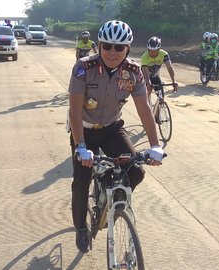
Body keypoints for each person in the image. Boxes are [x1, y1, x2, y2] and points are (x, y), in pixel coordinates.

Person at [68, 20, 165, 253]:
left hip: (112, 128)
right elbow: (74, 108)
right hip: (84, 128)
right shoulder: (83, 67)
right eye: (108, 46)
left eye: (119, 47)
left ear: (127, 49)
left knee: (135, 170)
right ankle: (81, 228)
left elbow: (143, 109)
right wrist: (80, 146)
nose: (113, 52)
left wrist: (155, 145)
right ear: (99, 45)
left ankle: (111, 198)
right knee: (82, 180)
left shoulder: (133, 73)